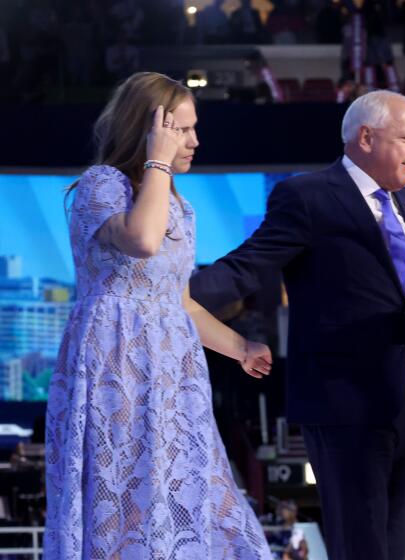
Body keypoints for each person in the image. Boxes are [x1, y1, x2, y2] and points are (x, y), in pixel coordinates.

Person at [189, 89, 405, 560]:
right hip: (342, 403)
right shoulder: (309, 197)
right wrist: (168, 298)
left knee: (397, 546)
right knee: (361, 547)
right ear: (366, 137)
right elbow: (247, 266)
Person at [44, 72, 273, 559]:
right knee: (127, 498)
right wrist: (157, 160)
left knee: (194, 498)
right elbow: (143, 241)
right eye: (181, 130)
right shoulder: (101, 186)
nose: (194, 140)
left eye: (191, 130)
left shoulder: (180, 208)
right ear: (150, 131)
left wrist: (239, 347)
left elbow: (180, 301)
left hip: (172, 378)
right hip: (116, 368)